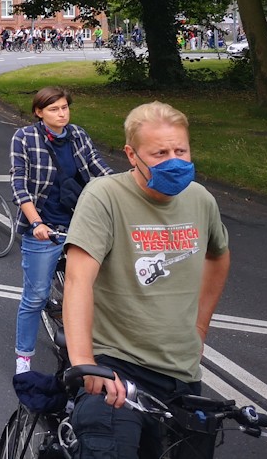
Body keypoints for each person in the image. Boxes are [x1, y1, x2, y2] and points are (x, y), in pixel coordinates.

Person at [64, 102, 230, 459]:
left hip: (182, 371)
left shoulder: (201, 200)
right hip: (117, 367)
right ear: (131, 154)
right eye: (160, 153)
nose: (174, 160)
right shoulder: (104, 196)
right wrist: (84, 362)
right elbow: (78, 281)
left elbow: (218, 255)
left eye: (180, 150)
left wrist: (200, 327)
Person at [9, 86, 113, 374]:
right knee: (36, 296)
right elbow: (19, 186)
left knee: (93, 292)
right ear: (39, 112)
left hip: (79, 225)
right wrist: (37, 223)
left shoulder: (78, 135)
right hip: (44, 227)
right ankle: (24, 357)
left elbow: (100, 169)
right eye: (54, 109)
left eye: (65, 107)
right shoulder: (25, 138)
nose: (62, 113)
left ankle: (92, 351)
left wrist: (126, 192)